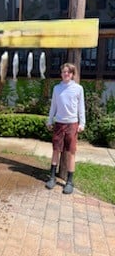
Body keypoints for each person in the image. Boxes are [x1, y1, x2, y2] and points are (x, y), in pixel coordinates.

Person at [46, 63, 85, 194]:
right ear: (61, 74)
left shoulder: (78, 88)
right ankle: (52, 177)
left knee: (71, 152)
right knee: (56, 150)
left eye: (68, 72)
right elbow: (53, 106)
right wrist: (49, 119)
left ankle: (69, 181)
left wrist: (82, 123)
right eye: (64, 72)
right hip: (59, 123)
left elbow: (81, 108)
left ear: (73, 74)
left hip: (72, 124)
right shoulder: (57, 88)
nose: (66, 74)